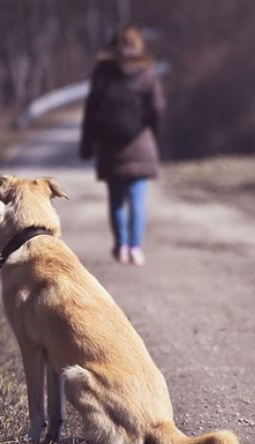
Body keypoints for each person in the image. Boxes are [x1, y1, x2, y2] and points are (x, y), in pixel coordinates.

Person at [79, 26, 166, 266]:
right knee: (137, 200)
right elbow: (157, 107)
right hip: (140, 142)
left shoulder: (103, 72)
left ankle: (121, 246)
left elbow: (91, 110)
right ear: (139, 45)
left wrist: (87, 144)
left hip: (110, 146)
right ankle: (136, 248)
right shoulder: (147, 72)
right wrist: (154, 135)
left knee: (116, 200)